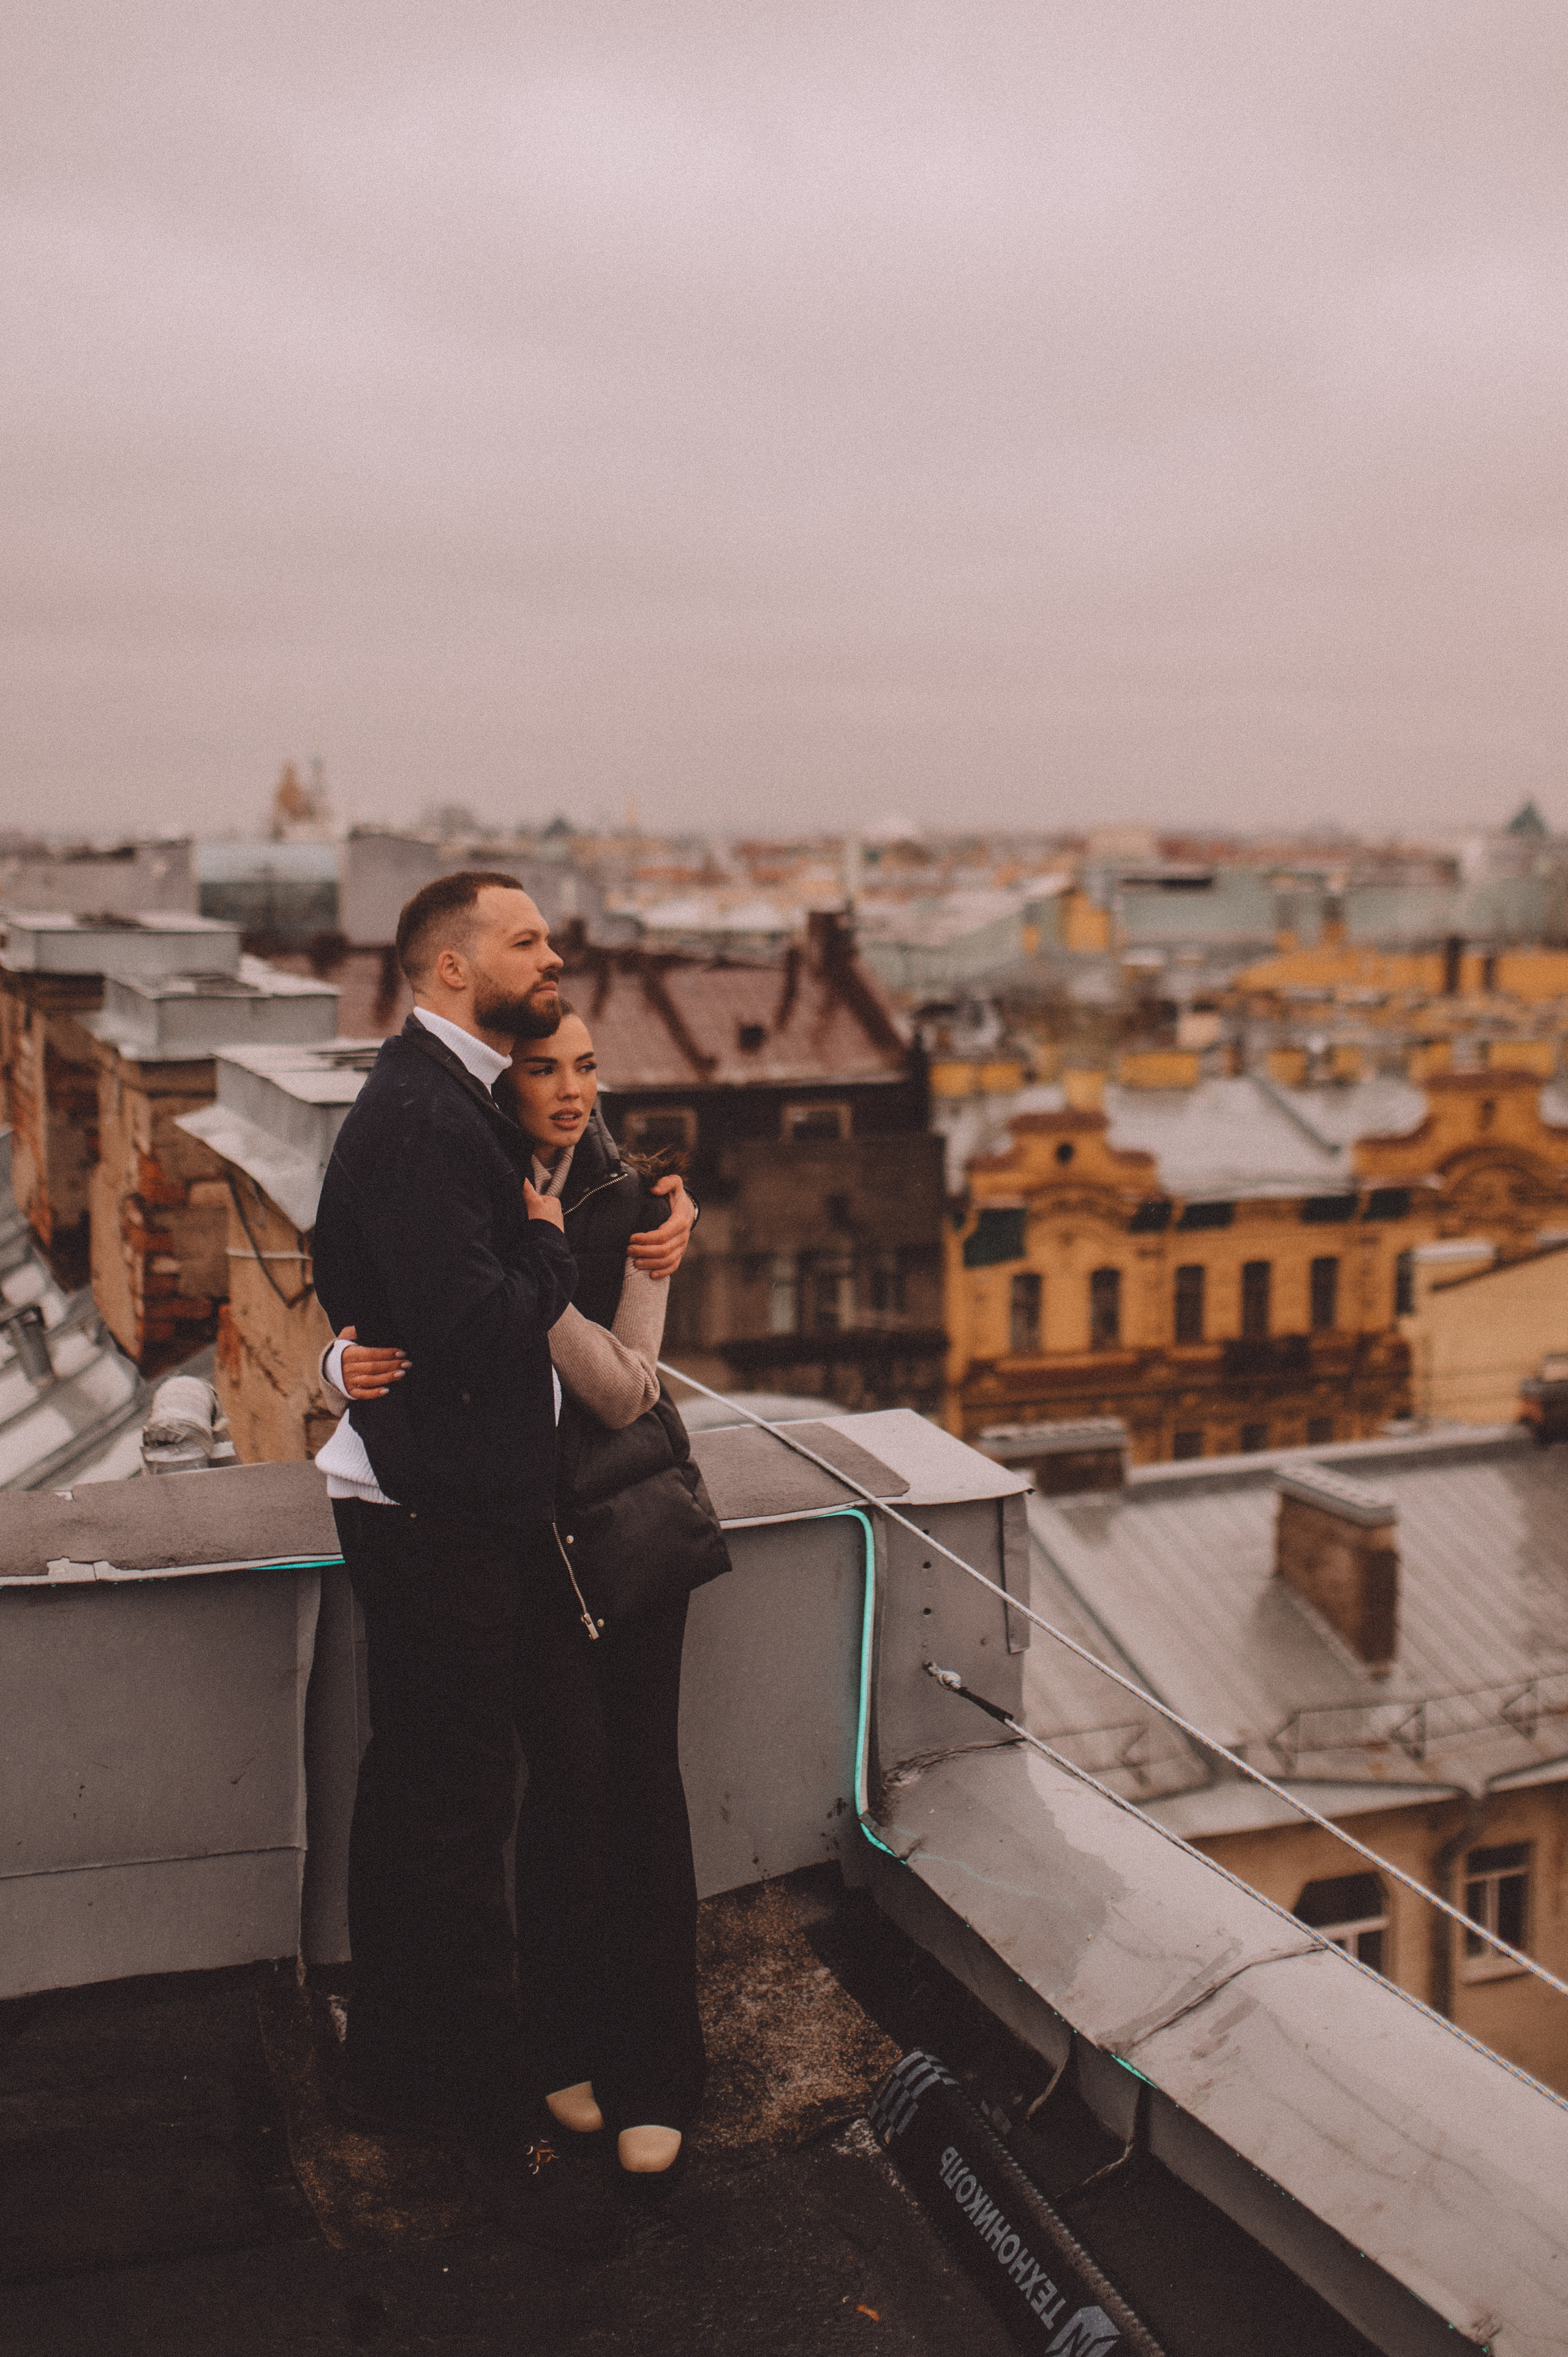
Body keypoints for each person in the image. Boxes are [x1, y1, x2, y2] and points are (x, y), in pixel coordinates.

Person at [309, 872, 695, 2226]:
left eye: (589, 1067)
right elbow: (466, 1321)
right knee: (470, 1811)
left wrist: (637, 1243)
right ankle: (486, 2111)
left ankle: (420, 2071)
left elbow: (367, 1269)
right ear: (454, 967)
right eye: (525, 941)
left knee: (444, 1793)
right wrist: (538, 1253)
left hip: (522, 1517)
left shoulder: (452, 1104)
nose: (552, 955)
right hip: (456, 1519)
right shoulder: (437, 1116)